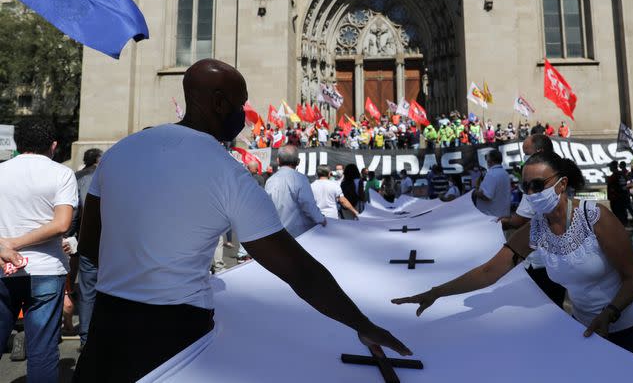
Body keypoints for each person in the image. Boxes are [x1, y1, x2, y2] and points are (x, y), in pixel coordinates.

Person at [74, 60, 409, 381]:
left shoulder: (120, 151)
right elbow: (299, 271)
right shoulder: (228, 173)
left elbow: (89, 244)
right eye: (241, 104)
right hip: (176, 337)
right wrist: (361, 323)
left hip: (106, 327)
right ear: (219, 103)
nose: (245, 115)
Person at [393, 152, 633, 368]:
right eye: (526, 186)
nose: (532, 193)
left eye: (538, 185)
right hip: (589, 330)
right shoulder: (536, 229)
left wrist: (610, 313)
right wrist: (437, 292)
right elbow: (489, 271)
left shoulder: (595, 218)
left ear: (562, 183)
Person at [0, 117, 79, 381]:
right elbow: (62, 224)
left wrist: (6, 244)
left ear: (17, 143)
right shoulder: (62, 173)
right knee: (43, 351)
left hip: (2, 267)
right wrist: (16, 243)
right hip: (46, 269)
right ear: (54, 145)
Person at [498, 134, 566, 308]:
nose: (531, 193)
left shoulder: (536, 183)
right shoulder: (560, 172)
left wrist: (504, 222)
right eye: (525, 187)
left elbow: (521, 219)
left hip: (541, 265)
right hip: (555, 263)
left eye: (527, 153)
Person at [266, 145, 327, 238]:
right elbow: (308, 205)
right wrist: (321, 219)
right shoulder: (300, 179)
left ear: (278, 161)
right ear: (298, 162)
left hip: (276, 233)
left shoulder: (270, 181)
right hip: (299, 235)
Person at [75, 148, 103, 349]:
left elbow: (74, 212)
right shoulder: (113, 176)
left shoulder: (77, 178)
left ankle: (86, 338)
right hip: (113, 243)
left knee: (87, 292)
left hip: (87, 242)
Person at [473, 150, 511, 219]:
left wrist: (475, 192)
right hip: (501, 215)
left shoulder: (491, 174)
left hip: (491, 217)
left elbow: (486, 196)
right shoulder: (505, 173)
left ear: (490, 160)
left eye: (487, 158)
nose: (486, 161)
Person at [606, 161, 629, 226]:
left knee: (618, 214)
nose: (609, 168)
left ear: (613, 167)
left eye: (610, 166)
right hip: (623, 197)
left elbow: (612, 184)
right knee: (623, 213)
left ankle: (620, 227)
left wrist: (608, 180)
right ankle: (624, 224)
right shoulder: (622, 174)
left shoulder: (614, 176)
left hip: (616, 198)